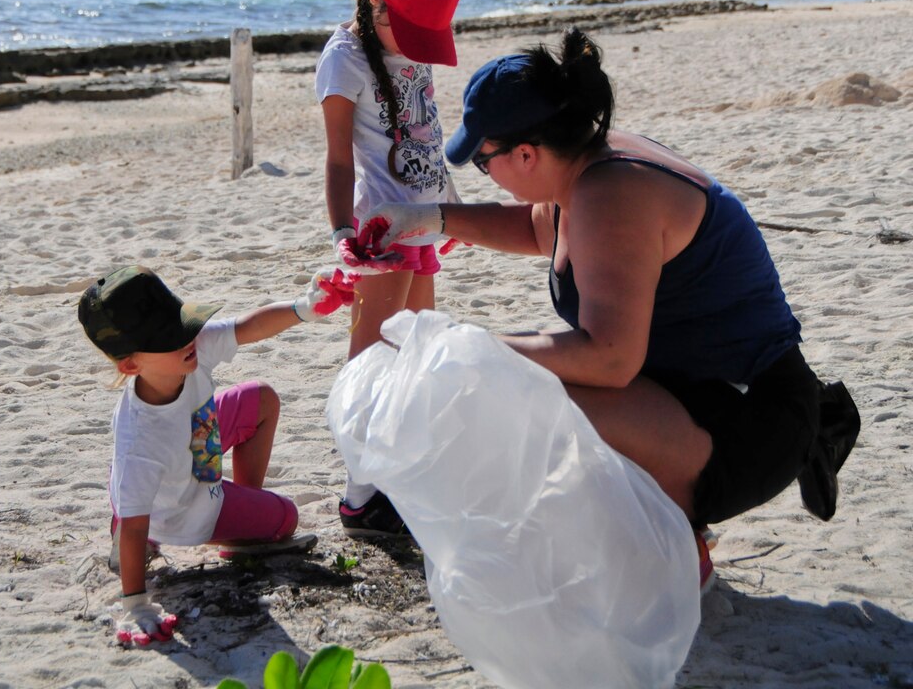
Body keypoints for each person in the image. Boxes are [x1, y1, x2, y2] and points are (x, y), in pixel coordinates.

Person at [358, 29, 859, 588]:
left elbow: (612, 359)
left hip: (752, 421)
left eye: (482, 161)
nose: (484, 171)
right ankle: (653, 529)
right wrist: (431, 220)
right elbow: (533, 225)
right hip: (700, 390)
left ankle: (676, 540)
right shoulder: (588, 165)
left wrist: (470, 344)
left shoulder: (611, 196)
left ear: (527, 153)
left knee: (517, 388)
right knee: (515, 371)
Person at [77, 264, 356, 646]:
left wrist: (303, 307)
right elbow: (136, 523)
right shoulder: (140, 442)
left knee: (260, 398)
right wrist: (137, 604)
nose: (188, 338)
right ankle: (230, 524)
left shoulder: (186, 351)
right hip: (179, 511)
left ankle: (240, 523)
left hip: (191, 450)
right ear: (130, 365)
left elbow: (246, 327)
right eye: (170, 336)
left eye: (183, 325)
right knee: (285, 518)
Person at [315, 0, 463, 537]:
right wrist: (341, 234)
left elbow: (426, 132)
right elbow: (337, 161)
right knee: (370, 363)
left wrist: (452, 207)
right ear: (378, 2)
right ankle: (359, 497)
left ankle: (393, 478)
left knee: (416, 355)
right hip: (379, 229)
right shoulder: (344, 59)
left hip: (423, 222)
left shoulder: (410, 40)